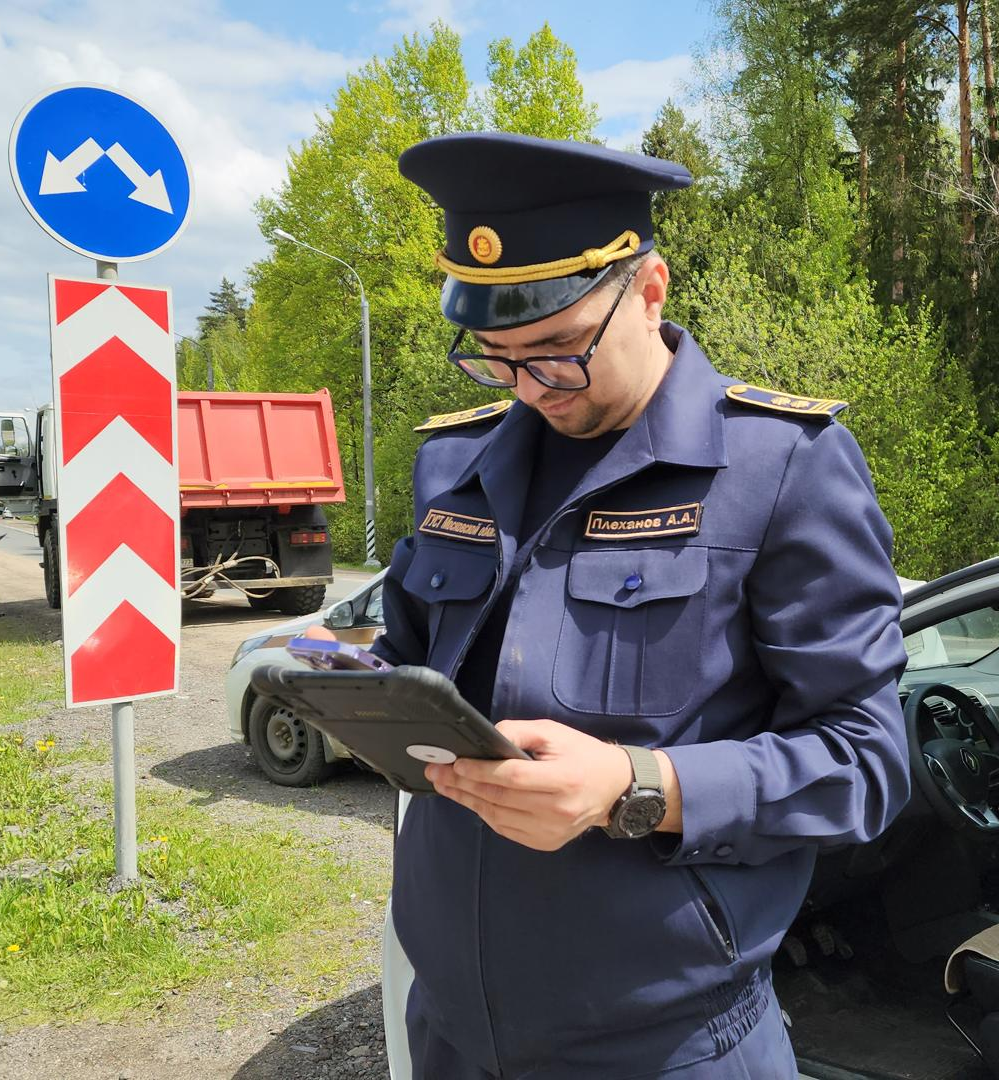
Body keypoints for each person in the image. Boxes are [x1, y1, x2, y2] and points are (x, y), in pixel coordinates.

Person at [351, 132, 913, 1078]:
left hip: (668, 1051)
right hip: (449, 1029)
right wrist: (343, 680)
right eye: (496, 358)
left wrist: (633, 786)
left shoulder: (780, 469)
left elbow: (866, 761)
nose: (531, 389)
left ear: (650, 290)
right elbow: (409, 662)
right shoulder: (454, 466)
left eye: (559, 352)